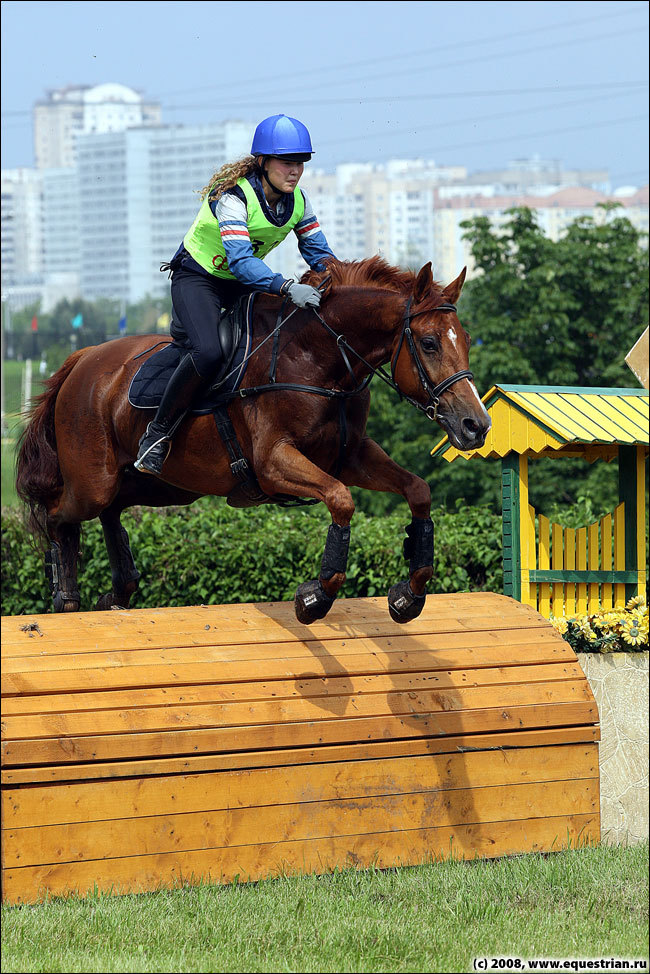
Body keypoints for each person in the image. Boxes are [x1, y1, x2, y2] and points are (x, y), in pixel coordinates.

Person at [134, 113, 336, 476]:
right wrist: (288, 287)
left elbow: (320, 254)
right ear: (263, 163)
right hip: (199, 278)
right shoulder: (233, 198)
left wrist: (343, 282)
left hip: (239, 281)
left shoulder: (299, 202)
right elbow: (242, 262)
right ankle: (157, 434)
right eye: (287, 163)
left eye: (300, 164)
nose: (295, 172)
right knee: (210, 351)